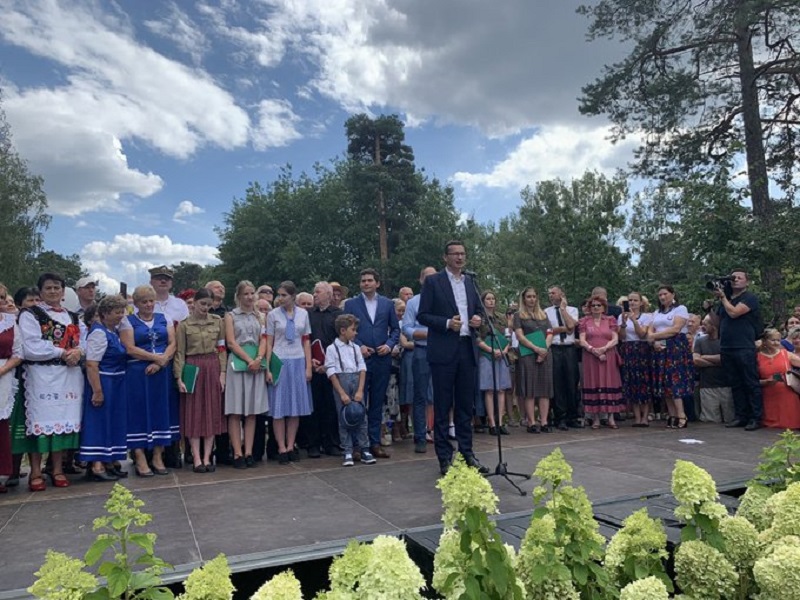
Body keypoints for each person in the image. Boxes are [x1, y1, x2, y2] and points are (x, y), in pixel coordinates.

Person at [417, 241, 487, 476]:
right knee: (443, 405)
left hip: (467, 348)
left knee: (466, 406)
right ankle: (445, 457)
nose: (459, 257)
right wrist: (447, 323)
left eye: (462, 253)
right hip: (443, 350)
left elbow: (478, 309)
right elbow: (423, 315)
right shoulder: (433, 282)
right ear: (445, 257)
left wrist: (477, 318)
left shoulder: (470, 281)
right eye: (455, 254)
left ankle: (467, 454)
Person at [17, 273, 84, 491]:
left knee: (62, 422)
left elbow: (84, 340)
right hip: (41, 376)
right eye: (48, 288)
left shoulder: (73, 316)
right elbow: (30, 346)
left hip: (69, 376)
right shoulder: (30, 314)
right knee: (39, 423)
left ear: (63, 291)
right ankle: (36, 471)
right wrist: (62, 352)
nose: (53, 291)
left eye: (57, 287)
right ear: (41, 291)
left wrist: (78, 352)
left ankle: (57, 468)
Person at [119, 284, 176, 477]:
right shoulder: (128, 321)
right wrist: (154, 358)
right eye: (144, 302)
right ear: (136, 303)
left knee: (161, 410)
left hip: (161, 371)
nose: (149, 305)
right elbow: (130, 348)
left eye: (151, 301)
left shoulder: (164, 318)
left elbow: (172, 343)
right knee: (138, 412)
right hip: (138, 372)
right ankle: (139, 455)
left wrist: (161, 362)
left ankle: (158, 455)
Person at [343, 269, 400, 459]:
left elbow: (395, 330)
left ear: (377, 283)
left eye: (369, 280)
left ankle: (374, 443)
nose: (366, 283)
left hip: (382, 359)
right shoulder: (351, 304)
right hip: (360, 359)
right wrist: (359, 345)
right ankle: (357, 445)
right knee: (358, 402)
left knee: (377, 402)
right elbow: (345, 330)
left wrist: (389, 345)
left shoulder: (387, 304)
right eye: (363, 281)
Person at [174, 288, 227, 473]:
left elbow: (221, 349)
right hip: (192, 366)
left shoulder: (218, 322)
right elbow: (180, 353)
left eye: (209, 305)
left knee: (212, 411)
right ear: (194, 303)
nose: (205, 308)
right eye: (202, 304)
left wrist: (222, 373)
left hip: (212, 365)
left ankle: (207, 456)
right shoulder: (184, 325)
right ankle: (196, 458)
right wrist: (179, 377)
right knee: (194, 412)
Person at [79, 295, 129, 482]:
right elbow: (92, 364)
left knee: (111, 422)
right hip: (104, 381)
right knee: (99, 422)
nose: (121, 315)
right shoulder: (99, 333)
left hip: (116, 382)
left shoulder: (112, 331)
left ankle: (109, 461)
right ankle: (96, 465)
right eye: (117, 312)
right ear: (105, 313)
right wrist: (98, 391)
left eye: (122, 312)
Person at [265, 281, 313, 465]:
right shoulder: (273, 314)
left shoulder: (303, 314)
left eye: (284, 295)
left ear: (293, 296)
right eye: (279, 294)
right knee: (279, 407)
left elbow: (306, 340)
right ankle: (281, 447)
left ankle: (291, 445)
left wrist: (308, 366)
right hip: (279, 360)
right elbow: (269, 342)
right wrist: (268, 367)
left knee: (295, 407)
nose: (280, 298)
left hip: (298, 359)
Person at [709, 270, 763, 430]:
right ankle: (741, 416)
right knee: (735, 383)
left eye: (739, 278)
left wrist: (723, 298)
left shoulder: (749, 298)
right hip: (727, 346)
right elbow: (717, 323)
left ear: (747, 282)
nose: (735, 280)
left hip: (744, 345)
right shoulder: (726, 299)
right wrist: (709, 310)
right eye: (733, 278)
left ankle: (755, 417)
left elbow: (734, 313)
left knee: (750, 382)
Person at [223, 281, 269, 469]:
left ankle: (249, 451)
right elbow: (231, 342)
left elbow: (264, 339)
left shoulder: (261, 316)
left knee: (252, 410)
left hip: (255, 364)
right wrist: (248, 360)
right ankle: (237, 452)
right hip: (238, 362)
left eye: (252, 293)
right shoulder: (230, 316)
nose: (249, 297)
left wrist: (258, 358)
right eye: (246, 294)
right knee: (235, 410)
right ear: (239, 296)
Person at [325, 314, 375, 467]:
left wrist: (360, 390)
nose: (355, 333)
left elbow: (362, 368)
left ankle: (364, 448)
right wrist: (341, 393)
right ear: (342, 330)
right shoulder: (332, 349)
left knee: (361, 416)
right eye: (353, 330)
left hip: (356, 381)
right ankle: (347, 450)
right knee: (344, 417)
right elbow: (331, 372)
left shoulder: (355, 348)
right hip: (342, 382)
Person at [647, 285, 693, 429]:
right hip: (660, 347)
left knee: (674, 381)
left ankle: (681, 415)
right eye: (660, 295)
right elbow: (650, 330)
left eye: (665, 294)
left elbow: (675, 329)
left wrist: (655, 336)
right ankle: (672, 415)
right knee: (664, 382)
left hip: (676, 347)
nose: (662, 297)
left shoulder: (680, 309)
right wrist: (654, 341)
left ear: (672, 294)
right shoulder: (656, 312)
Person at [402, 266, 437, 454]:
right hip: (422, 350)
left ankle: (440, 433)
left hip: (442, 351)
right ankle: (420, 436)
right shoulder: (413, 302)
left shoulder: (445, 299)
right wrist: (424, 333)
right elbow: (406, 328)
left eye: (434, 277)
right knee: (420, 395)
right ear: (421, 280)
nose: (431, 280)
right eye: (427, 277)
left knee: (442, 393)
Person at [305, 282, 343, 457]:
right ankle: (313, 444)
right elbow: (304, 339)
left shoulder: (337, 315)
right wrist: (310, 360)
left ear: (328, 294)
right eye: (314, 292)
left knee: (330, 406)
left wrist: (328, 363)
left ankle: (332, 443)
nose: (314, 295)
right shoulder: (307, 314)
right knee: (314, 406)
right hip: (312, 366)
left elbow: (341, 341)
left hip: (331, 367)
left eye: (318, 292)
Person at [579, 295, 624, 429]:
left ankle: (611, 418)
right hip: (590, 356)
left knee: (609, 382)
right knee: (594, 382)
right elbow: (582, 340)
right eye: (593, 305)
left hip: (608, 355)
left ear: (604, 307)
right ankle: (596, 418)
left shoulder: (610, 320)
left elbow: (615, 339)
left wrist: (604, 349)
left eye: (599, 305)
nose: (596, 307)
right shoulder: (584, 321)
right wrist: (593, 350)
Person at [514, 287, 554, 433]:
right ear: (524, 299)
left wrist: (544, 349)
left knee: (544, 389)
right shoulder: (519, 315)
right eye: (528, 296)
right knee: (529, 389)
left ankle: (544, 421)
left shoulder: (543, 314)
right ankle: (531, 422)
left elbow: (550, 333)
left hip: (544, 354)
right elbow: (519, 336)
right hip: (528, 354)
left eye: (534, 296)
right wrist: (536, 349)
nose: (531, 299)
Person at [544, 286, 581, 430]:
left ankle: (573, 416)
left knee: (572, 382)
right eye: (549, 293)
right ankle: (560, 417)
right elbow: (548, 331)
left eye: (553, 293)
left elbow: (572, 326)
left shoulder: (572, 310)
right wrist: (563, 329)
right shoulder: (546, 312)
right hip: (555, 348)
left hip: (569, 348)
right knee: (557, 383)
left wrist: (563, 310)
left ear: (561, 294)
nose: (551, 295)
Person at [476, 290, 511, 435]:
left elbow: (508, 336)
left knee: (501, 389)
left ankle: (500, 421)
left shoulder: (502, 317)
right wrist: (490, 350)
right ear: (483, 301)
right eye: (488, 299)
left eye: (493, 298)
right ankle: (491, 422)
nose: (491, 301)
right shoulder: (479, 318)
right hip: (486, 355)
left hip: (501, 355)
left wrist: (504, 350)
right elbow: (477, 338)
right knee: (489, 389)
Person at [618, 291, 654, 427]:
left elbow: (642, 334)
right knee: (631, 382)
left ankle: (645, 416)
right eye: (630, 300)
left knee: (644, 383)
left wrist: (634, 320)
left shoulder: (647, 317)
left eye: (635, 300)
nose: (632, 303)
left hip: (642, 349)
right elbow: (621, 336)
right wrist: (623, 322)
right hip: (628, 349)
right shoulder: (621, 316)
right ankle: (637, 417)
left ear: (641, 303)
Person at [0, 284, 23, 493]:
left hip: (4, 374)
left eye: (1, 297)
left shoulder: (9, 322)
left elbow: (18, 353)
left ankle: (1, 474)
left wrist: (3, 369)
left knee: (1, 425)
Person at [693, 315, 734, 424]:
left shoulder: (726, 340)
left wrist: (704, 356)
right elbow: (696, 360)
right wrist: (717, 362)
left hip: (727, 386)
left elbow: (726, 358)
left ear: (714, 326)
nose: (702, 326)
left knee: (730, 419)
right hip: (707, 386)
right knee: (710, 421)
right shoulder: (700, 341)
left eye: (705, 324)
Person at [757, 328, 800, 429]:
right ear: (764, 341)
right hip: (768, 398)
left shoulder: (786, 354)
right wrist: (765, 382)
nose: (776, 343)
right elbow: (751, 380)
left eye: (778, 340)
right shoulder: (756, 357)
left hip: (788, 398)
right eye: (773, 340)